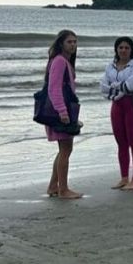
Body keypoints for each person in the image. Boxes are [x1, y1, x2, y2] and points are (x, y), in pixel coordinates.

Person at [100, 37, 133, 191]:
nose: (123, 50)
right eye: (121, 47)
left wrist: (115, 87)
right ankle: (124, 177)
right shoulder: (110, 66)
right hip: (116, 106)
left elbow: (132, 85)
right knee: (121, 143)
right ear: (116, 49)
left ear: (132, 50)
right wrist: (118, 88)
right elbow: (103, 87)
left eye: (127, 47)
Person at [44, 29, 83, 199]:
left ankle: (54, 186)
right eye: (69, 42)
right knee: (66, 149)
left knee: (64, 149)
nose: (73, 45)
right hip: (60, 112)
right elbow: (54, 88)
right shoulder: (59, 61)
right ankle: (63, 189)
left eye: (75, 42)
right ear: (61, 43)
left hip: (64, 110)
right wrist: (62, 111)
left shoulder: (64, 61)